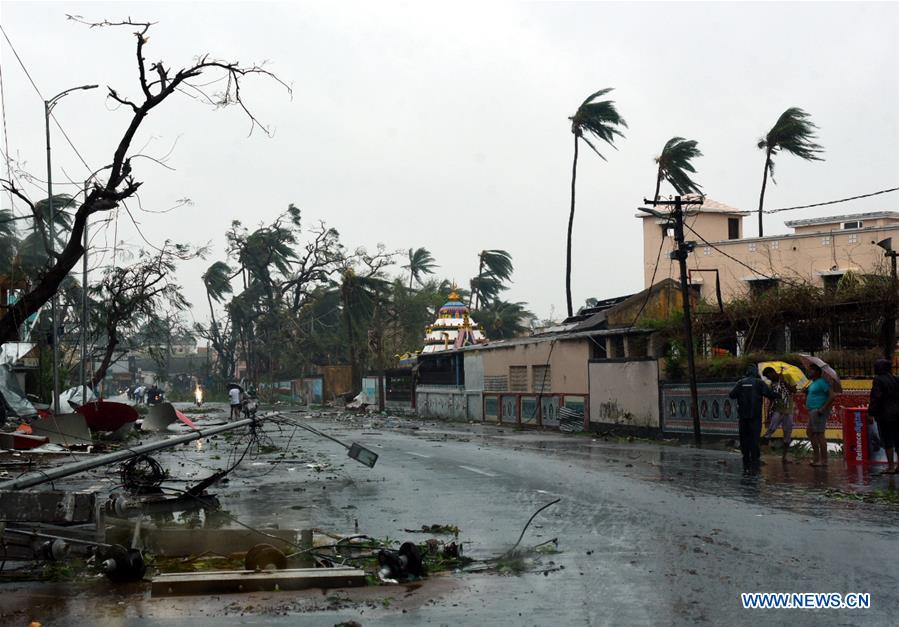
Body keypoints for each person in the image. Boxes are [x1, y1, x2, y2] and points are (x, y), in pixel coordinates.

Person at [729, 365, 777, 476]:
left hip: (743, 416)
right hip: (755, 416)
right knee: (755, 437)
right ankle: (755, 458)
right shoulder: (760, 383)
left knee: (744, 437)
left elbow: (731, 395)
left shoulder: (740, 383)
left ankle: (746, 456)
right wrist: (779, 395)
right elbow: (769, 394)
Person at [868, 358, 899, 474]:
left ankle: (891, 466)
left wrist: (871, 413)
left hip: (885, 415)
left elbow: (876, 397)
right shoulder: (896, 379)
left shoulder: (878, 380)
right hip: (897, 414)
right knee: (898, 440)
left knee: (887, 440)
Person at [762, 367, 797, 462]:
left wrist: (784, 382)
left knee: (787, 434)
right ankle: (760, 452)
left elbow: (794, 390)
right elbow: (771, 400)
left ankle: (784, 457)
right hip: (777, 410)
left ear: (772, 372)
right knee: (770, 429)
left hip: (788, 410)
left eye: (768, 376)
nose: (768, 379)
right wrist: (768, 416)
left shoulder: (787, 376)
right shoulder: (771, 385)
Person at [805, 363, 836, 468]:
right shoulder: (814, 383)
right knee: (810, 432)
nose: (809, 372)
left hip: (818, 411)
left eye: (811, 370)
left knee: (819, 434)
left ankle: (824, 460)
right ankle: (816, 458)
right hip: (812, 411)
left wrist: (823, 409)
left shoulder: (822, 382)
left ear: (818, 372)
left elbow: (832, 396)